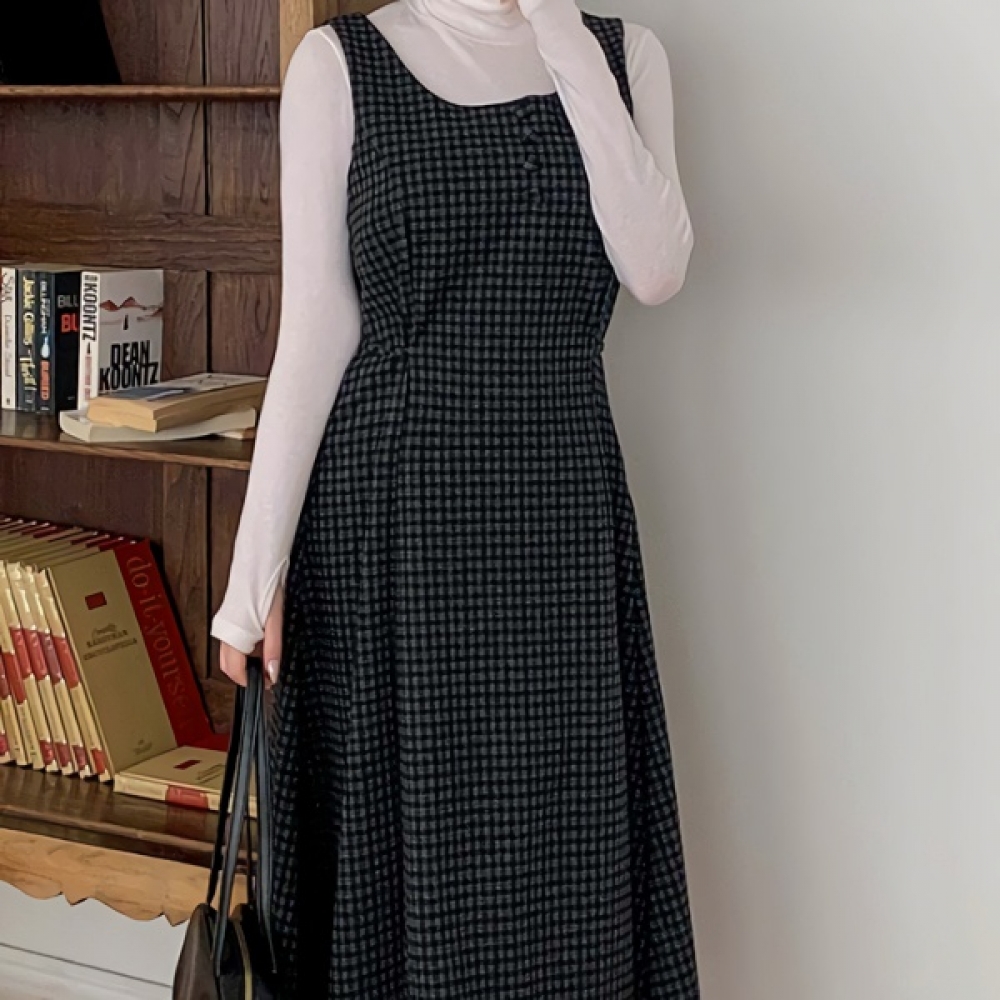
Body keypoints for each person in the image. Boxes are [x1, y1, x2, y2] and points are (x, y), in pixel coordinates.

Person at [211, 0, 699, 995]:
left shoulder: (623, 56)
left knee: (562, 849)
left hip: (559, 513)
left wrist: (557, 30)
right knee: (399, 860)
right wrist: (252, 579)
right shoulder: (339, 63)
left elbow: (655, 269)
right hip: (389, 515)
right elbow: (317, 325)